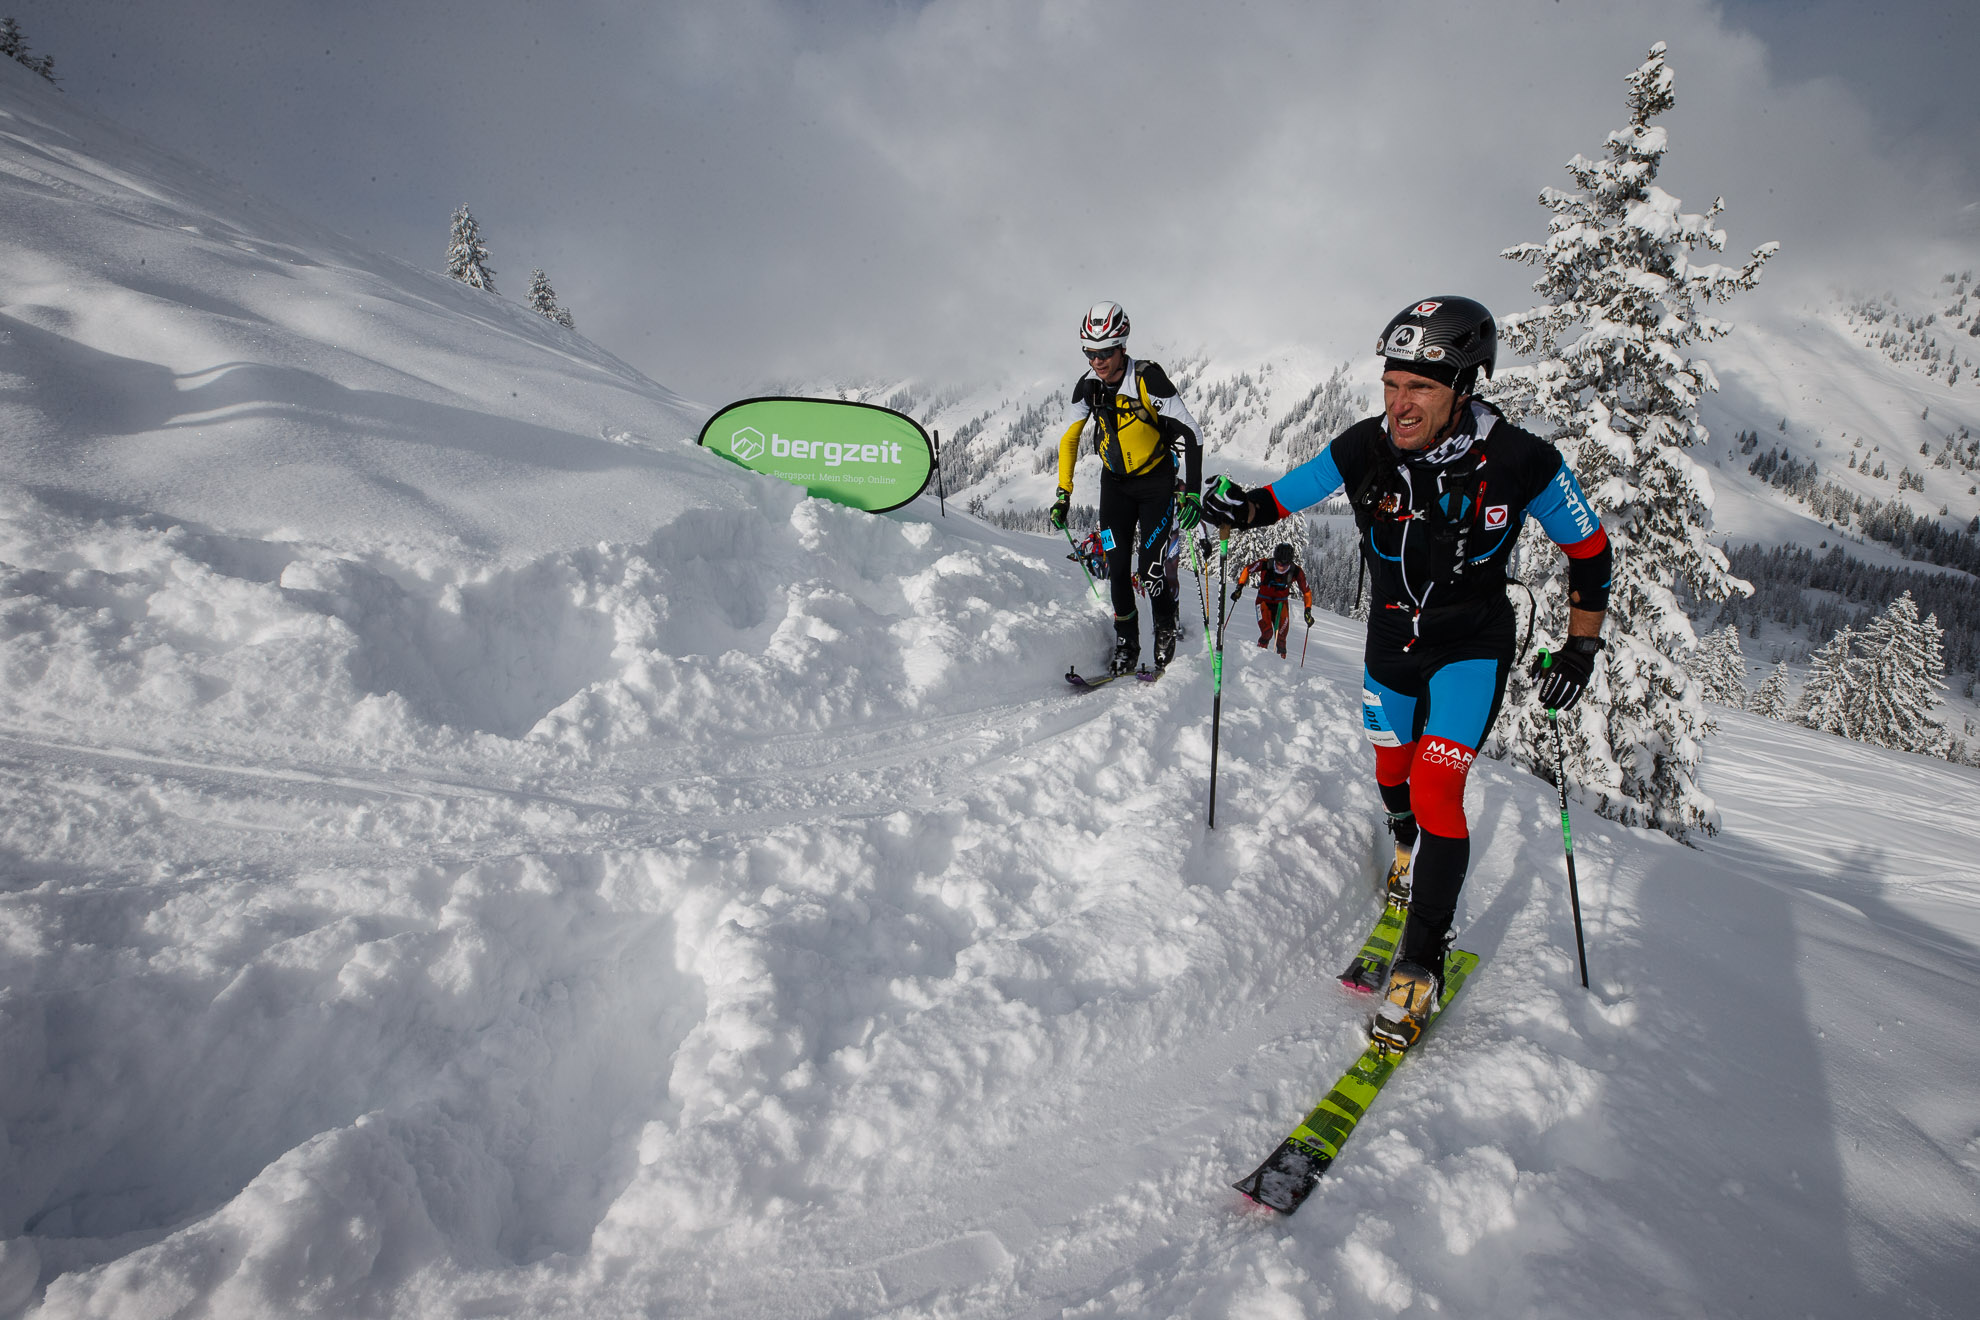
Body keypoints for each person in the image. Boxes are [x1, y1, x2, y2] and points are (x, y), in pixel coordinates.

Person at [1200, 296, 1611, 1051]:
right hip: (1390, 644)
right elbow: (1278, 498)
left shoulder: (1524, 461)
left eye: (1419, 387)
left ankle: (1421, 959)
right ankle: (1402, 843)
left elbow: (1590, 550)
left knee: (1436, 784)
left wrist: (1582, 648)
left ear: (1465, 383)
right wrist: (1234, 509)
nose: (1399, 403)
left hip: (1472, 648)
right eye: (1391, 383)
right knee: (1392, 774)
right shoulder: (1364, 447)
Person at [1050, 302, 1205, 674]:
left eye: (1104, 352)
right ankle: (1127, 640)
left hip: (1156, 486)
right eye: (1090, 353)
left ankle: (1164, 626)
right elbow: (1069, 440)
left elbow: (1192, 434)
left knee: (1150, 568)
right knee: (1116, 565)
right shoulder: (1088, 387)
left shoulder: (1148, 379)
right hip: (1113, 489)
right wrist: (1063, 493)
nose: (1097, 361)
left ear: (1122, 347)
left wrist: (1194, 493)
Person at [1232, 543, 1314, 657]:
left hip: (1281, 604)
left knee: (1281, 638)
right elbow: (1247, 570)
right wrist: (1239, 587)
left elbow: (1306, 592)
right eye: (1279, 563)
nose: (1281, 567)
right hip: (1263, 602)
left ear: (1290, 562)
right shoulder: (1266, 564)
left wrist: (1307, 611)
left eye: (1285, 565)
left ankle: (1281, 666)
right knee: (1267, 633)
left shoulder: (1296, 571)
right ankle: (1259, 658)